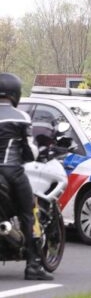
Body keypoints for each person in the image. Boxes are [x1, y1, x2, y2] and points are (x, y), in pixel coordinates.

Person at [0, 73, 52, 280]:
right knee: (29, 213)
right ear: (15, 93)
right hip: (12, 172)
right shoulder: (21, 117)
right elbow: (30, 151)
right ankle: (33, 266)